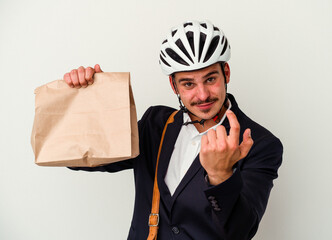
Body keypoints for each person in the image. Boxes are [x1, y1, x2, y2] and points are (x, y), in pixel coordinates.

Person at [64, 20, 283, 240]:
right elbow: (81, 158)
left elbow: (241, 231)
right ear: (174, 85)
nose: (203, 94)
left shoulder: (261, 144)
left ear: (225, 72)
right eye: (188, 84)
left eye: (210, 79)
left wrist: (220, 176)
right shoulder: (155, 124)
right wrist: (86, 97)